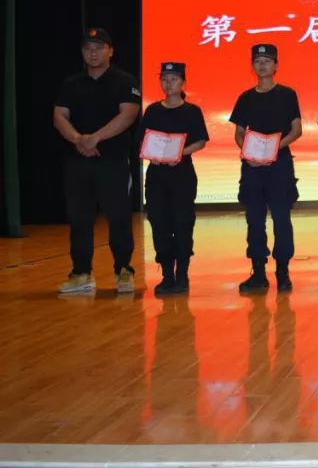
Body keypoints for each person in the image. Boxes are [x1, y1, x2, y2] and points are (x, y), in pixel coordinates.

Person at [53, 28, 142, 294]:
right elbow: (59, 116)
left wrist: (95, 139)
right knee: (79, 218)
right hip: (77, 161)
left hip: (113, 162)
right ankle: (81, 273)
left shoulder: (124, 81)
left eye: (99, 48)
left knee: (118, 217)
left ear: (110, 51)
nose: (93, 53)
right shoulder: (71, 83)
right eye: (88, 48)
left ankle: (123, 271)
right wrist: (79, 139)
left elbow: (128, 114)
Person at [229, 43, 302, 294]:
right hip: (252, 166)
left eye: (267, 61)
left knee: (281, 218)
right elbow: (239, 133)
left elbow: (296, 130)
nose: (262, 65)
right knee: (254, 219)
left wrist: (273, 149)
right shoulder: (245, 98)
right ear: (253, 66)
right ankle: (258, 272)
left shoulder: (287, 94)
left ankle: (283, 272)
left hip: (279, 164)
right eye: (258, 61)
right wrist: (248, 152)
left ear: (276, 65)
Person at [137, 62, 210, 295]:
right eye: (164, 79)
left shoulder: (192, 111)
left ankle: (182, 274)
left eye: (174, 79)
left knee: (182, 223)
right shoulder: (152, 110)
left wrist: (180, 153)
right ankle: (167, 274)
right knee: (159, 222)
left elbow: (201, 141)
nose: (168, 84)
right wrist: (151, 153)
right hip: (156, 175)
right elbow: (142, 140)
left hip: (182, 174)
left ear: (183, 82)